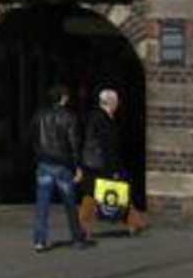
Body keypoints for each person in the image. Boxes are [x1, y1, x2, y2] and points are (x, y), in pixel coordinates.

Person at [78, 87, 148, 237]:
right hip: (101, 164)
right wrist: (114, 169)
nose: (118, 104)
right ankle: (85, 227)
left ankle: (134, 222)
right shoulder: (102, 119)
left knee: (98, 193)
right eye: (116, 101)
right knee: (106, 193)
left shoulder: (98, 117)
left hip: (93, 163)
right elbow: (108, 146)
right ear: (110, 102)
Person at [29, 84, 92, 251]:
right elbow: (74, 143)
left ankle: (39, 241)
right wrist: (78, 166)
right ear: (63, 97)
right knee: (70, 204)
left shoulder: (39, 115)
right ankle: (77, 239)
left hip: (44, 163)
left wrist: (38, 156)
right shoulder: (69, 117)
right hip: (63, 165)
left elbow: (33, 138)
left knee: (42, 205)